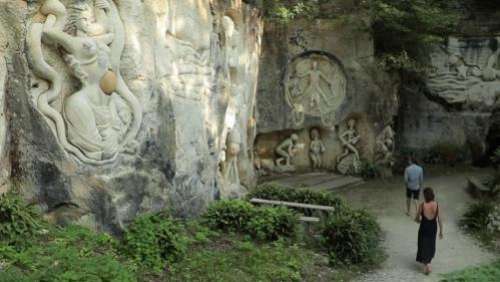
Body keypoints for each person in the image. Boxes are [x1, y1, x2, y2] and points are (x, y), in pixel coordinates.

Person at [415, 187, 443, 275]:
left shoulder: (422, 205)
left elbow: (416, 219)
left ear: (425, 196)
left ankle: (425, 266)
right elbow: (440, 220)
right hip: (433, 228)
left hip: (424, 227)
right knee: (430, 244)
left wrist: (418, 220)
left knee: (422, 244)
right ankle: (428, 264)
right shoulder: (436, 205)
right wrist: (441, 231)